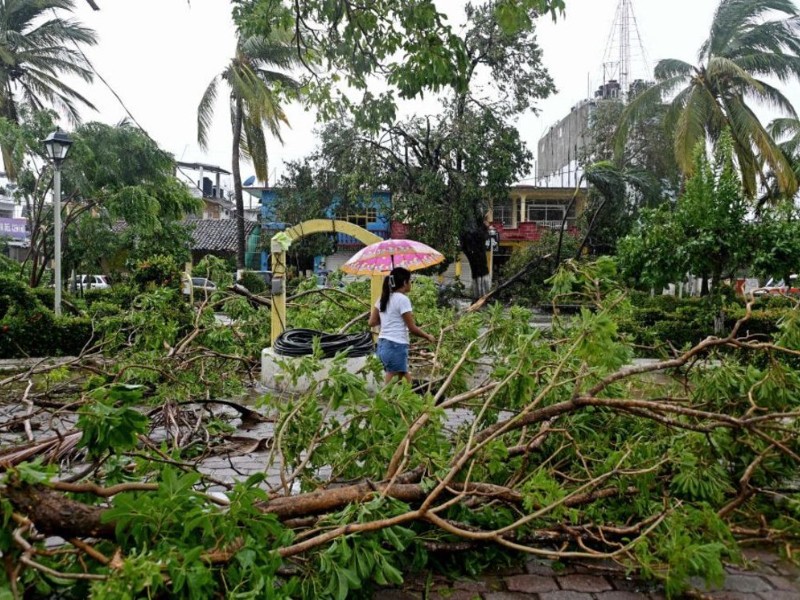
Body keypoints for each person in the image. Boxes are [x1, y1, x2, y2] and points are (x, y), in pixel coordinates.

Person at [368, 267, 435, 384]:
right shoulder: (403, 299)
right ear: (404, 282)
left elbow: (372, 322)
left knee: (403, 375)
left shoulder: (383, 298)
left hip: (382, 344)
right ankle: (382, 400)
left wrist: (388, 319)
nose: (411, 284)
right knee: (393, 377)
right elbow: (412, 328)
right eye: (410, 281)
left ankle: (413, 400)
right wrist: (428, 336)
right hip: (396, 344)